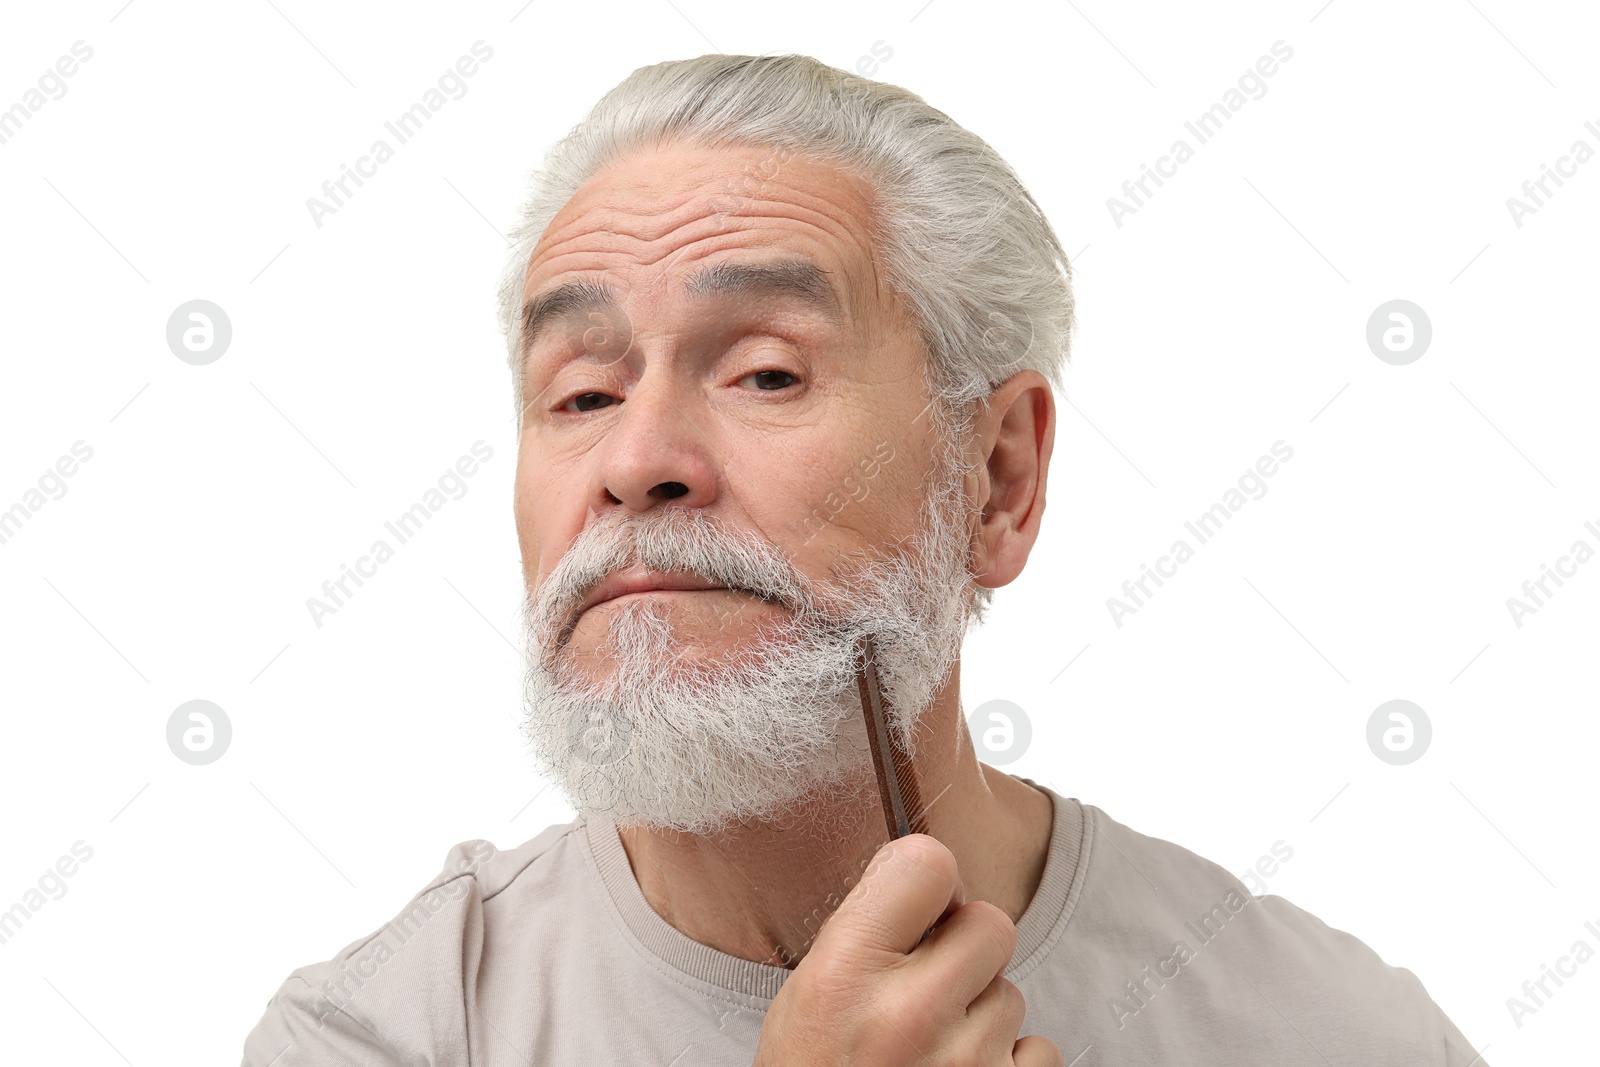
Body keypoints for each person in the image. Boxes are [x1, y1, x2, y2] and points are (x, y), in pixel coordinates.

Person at [242, 53, 1485, 1065]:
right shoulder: (384, 1034)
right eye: (578, 393)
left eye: (766, 371)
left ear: (995, 479)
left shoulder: (1332, 1037)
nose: (636, 458)